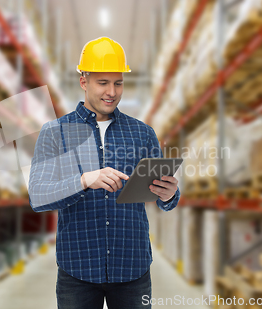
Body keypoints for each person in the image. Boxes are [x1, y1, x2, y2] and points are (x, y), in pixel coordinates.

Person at [29, 37, 180, 309]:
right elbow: (38, 196)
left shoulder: (142, 133)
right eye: (103, 83)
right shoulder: (55, 132)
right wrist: (84, 180)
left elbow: (163, 198)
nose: (112, 91)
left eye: (118, 83)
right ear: (84, 81)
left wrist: (169, 195)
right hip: (78, 269)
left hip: (132, 268)